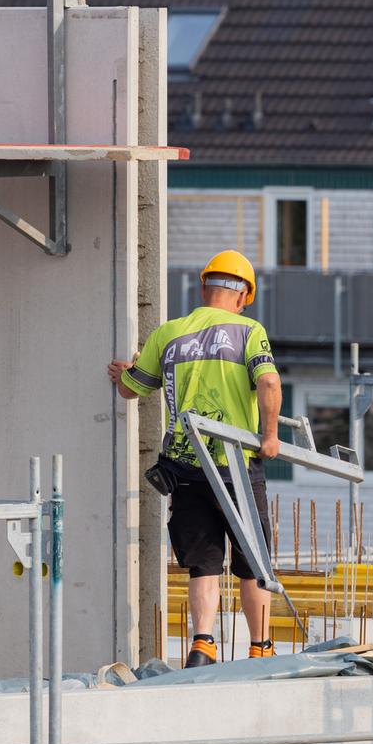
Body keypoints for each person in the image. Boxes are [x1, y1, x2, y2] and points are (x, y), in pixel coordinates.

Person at [107, 250, 282, 668]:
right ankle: (259, 648)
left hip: (185, 468)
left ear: (204, 289)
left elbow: (132, 389)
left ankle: (202, 646)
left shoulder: (169, 334)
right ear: (243, 296)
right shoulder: (248, 331)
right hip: (236, 467)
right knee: (252, 560)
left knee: (203, 562)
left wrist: (125, 372)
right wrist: (271, 436)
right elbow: (270, 382)